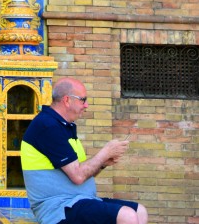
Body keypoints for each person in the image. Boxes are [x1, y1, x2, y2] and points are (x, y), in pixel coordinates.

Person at [20, 77, 148, 224]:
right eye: (83, 100)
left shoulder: (64, 126)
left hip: (79, 200)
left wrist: (103, 163)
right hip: (57, 208)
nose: (86, 105)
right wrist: (105, 152)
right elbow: (78, 176)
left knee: (140, 211)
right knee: (128, 216)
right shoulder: (47, 126)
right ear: (67, 100)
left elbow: (82, 174)